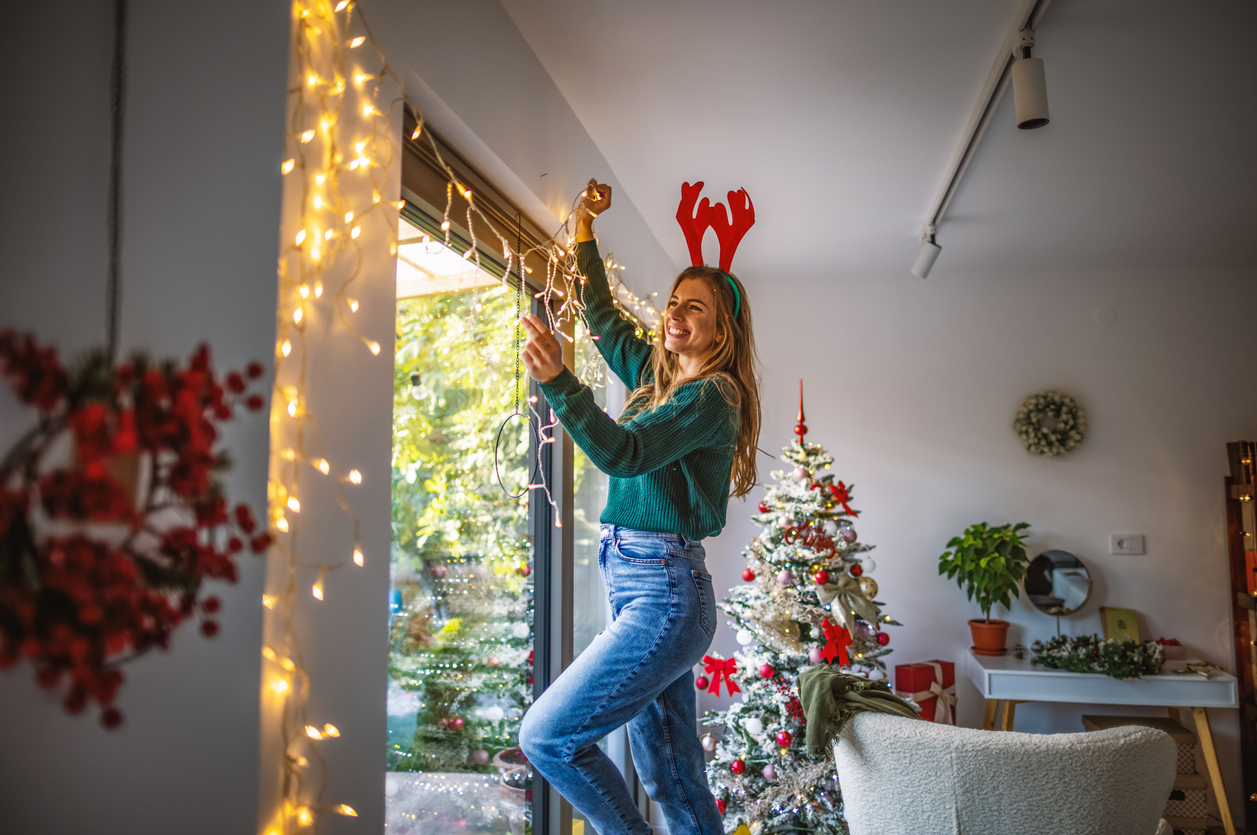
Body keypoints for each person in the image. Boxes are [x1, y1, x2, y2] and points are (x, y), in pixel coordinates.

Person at [517, 179, 761, 835]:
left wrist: (558, 383)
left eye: (696, 308)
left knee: (547, 737)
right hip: (639, 582)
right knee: (672, 779)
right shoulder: (659, 375)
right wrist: (586, 230)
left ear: (722, 329)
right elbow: (602, 316)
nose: (676, 313)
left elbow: (623, 454)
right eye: (674, 301)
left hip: (664, 590)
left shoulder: (712, 394)